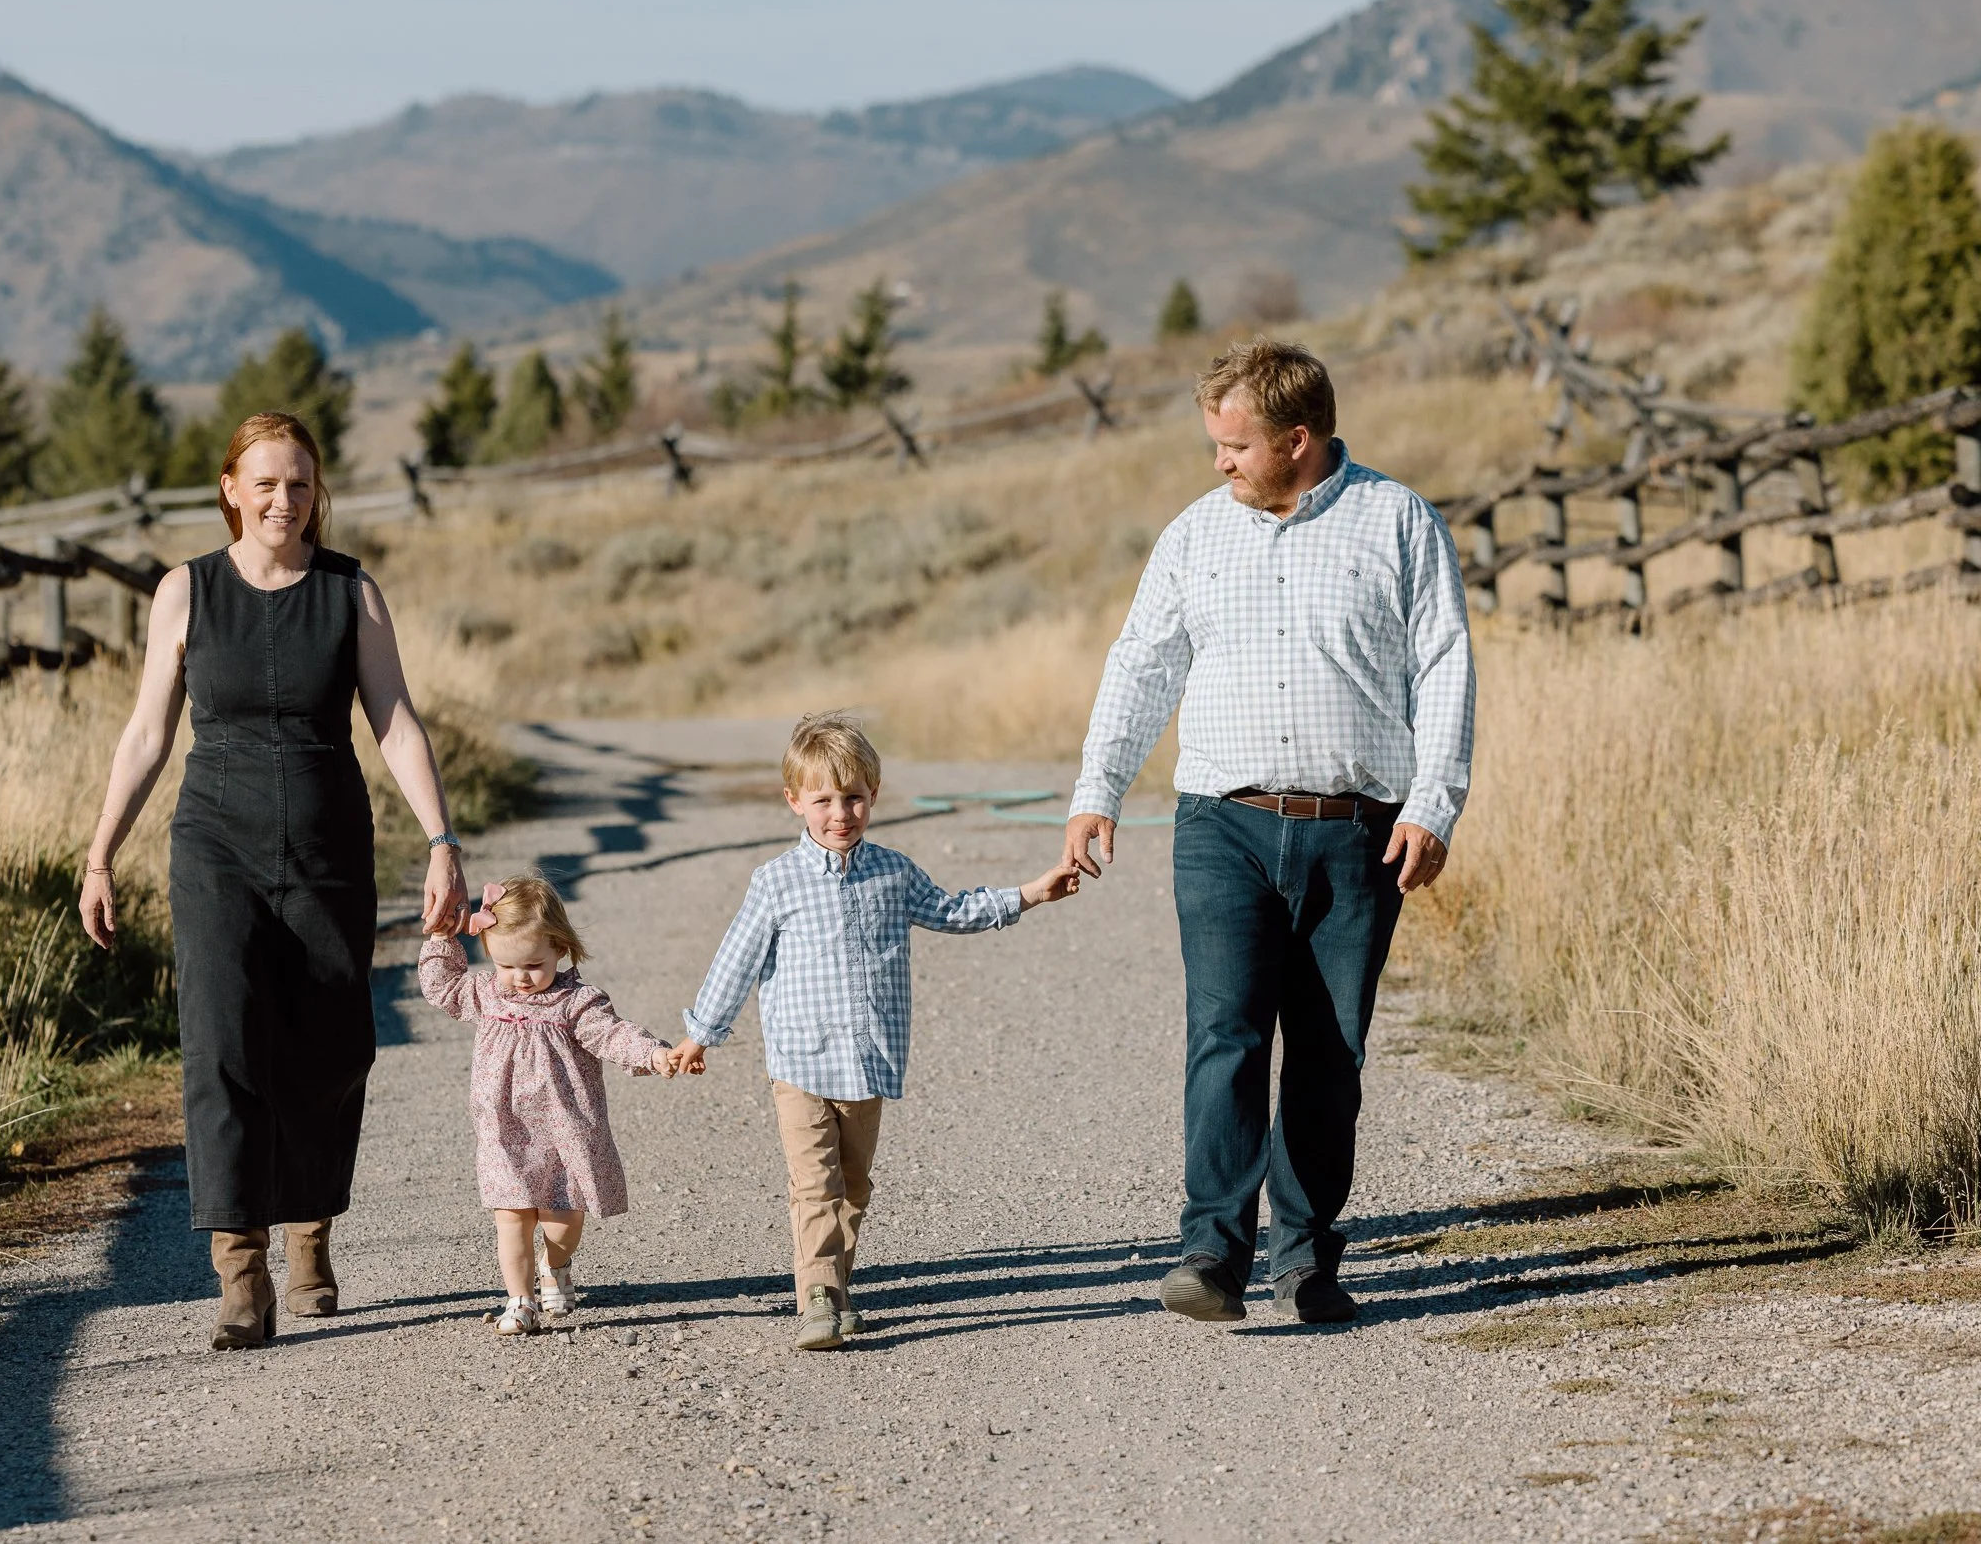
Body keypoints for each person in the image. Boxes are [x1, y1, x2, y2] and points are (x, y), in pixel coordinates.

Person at [1060, 337, 1474, 1326]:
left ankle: (1308, 1256)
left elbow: (1445, 665)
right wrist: (1096, 790)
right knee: (1227, 1034)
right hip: (1222, 827)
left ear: (1298, 438)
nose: (1219, 463)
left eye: (1234, 445)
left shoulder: (1398, 521)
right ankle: (1211, 1249)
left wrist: (1431, 803)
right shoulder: (1194, 536)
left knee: (1331, 1053)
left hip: (1358, 831)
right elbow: (1141, 665)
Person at [79, 412, 470, 1351]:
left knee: (333, 1043)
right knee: (221, 1044)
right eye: (265, 483)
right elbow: (145, 733)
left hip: (331, 837)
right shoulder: (187, 592)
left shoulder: (350, 592)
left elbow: (397, 721)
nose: (283, 501)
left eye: (298, 484)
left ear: (315, 492)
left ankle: (310, 1228)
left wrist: (443, 839)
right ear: (230, 489)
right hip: (215, 839)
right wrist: (99, 853)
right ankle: (241, 1269)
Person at [672, 711, 1081, 1351]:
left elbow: (954, 910)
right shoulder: (776, 882)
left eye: (855, 797)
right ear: (794, 802)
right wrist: (701, 1035)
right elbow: (736, 960)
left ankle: (837, 1289)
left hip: (868, 1065)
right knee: (816, 1185)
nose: (841, 813)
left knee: (854, 1186)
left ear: (874, 797)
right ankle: (816, 1300)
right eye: (824, 799)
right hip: (802, 1065)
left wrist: (1030, 893)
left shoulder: (893, 873)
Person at [417, 876, 682, 1335]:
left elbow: (613, 1034)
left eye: (533, 965)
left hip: (566, 1131)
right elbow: (442, 986)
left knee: (562, 1222)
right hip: (504, 1130)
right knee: (511, 1216)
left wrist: (653, 1054)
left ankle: (554, 1264)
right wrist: (442, 937)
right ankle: (519, 1301)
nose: (519, 978)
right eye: (506, 965)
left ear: (560, 948)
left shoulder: (577, 1003)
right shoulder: (485, 994)